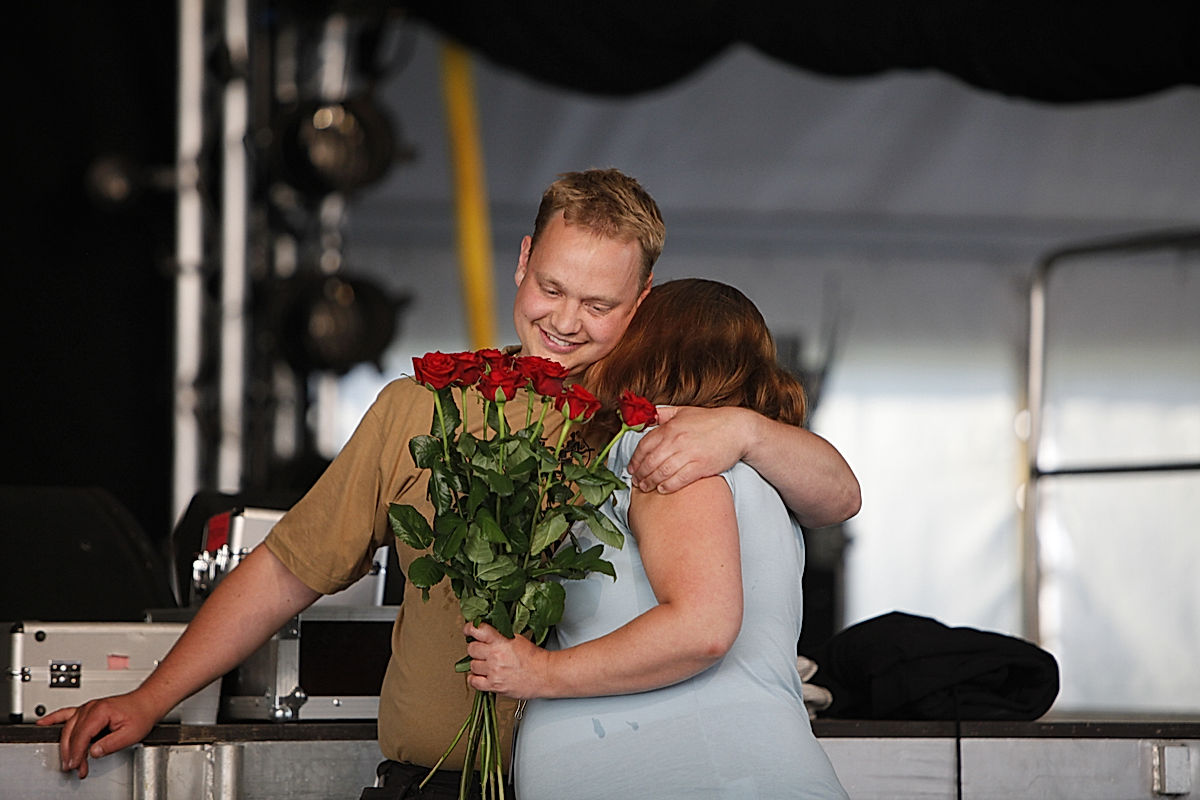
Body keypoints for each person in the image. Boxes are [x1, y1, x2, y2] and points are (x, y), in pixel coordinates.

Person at [41, 170, 859, 797]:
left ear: (642, 304)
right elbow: (289, 567)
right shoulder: (418, 410)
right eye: (551, 288)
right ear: (521, 263)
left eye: (600, 304)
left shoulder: (656, 426)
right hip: (434, 781)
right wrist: (153, 698)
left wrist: (748, 428)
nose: (567, 322)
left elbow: (838, 496)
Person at [463, 278, 850, 799]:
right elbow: (843, 497)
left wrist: (542, 673)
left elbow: (703, 627)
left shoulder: (665, 453)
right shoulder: (751, 468)